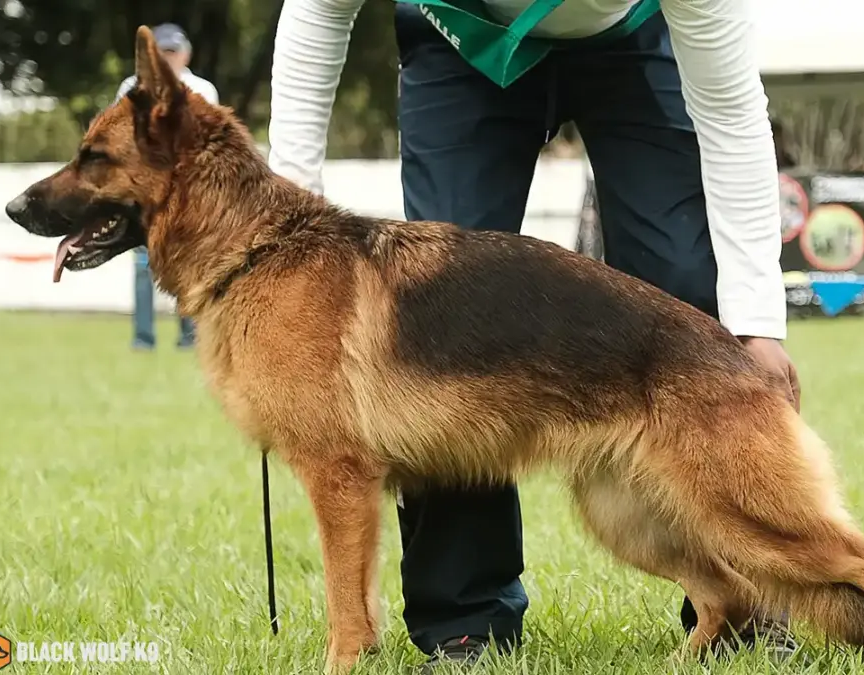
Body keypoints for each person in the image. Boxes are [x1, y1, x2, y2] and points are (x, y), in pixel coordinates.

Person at [267, 0, 803, 669]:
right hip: (458, 38)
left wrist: (756, 320)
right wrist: (287, 227)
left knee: (686, 283)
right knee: (438, 323)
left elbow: (729, 112)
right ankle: (467, 620)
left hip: (633, 40)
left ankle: (745, 603)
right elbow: (318, 13)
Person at [114, 23, 219, 351]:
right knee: (144, 267)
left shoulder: (201, 89)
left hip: (187, 193)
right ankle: (143, 338)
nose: (168, 58)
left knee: (188, 262)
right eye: (162, 52)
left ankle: (189, 337)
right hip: (146, 192)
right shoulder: (132, 87)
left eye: (172, 52)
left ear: (185, 54)